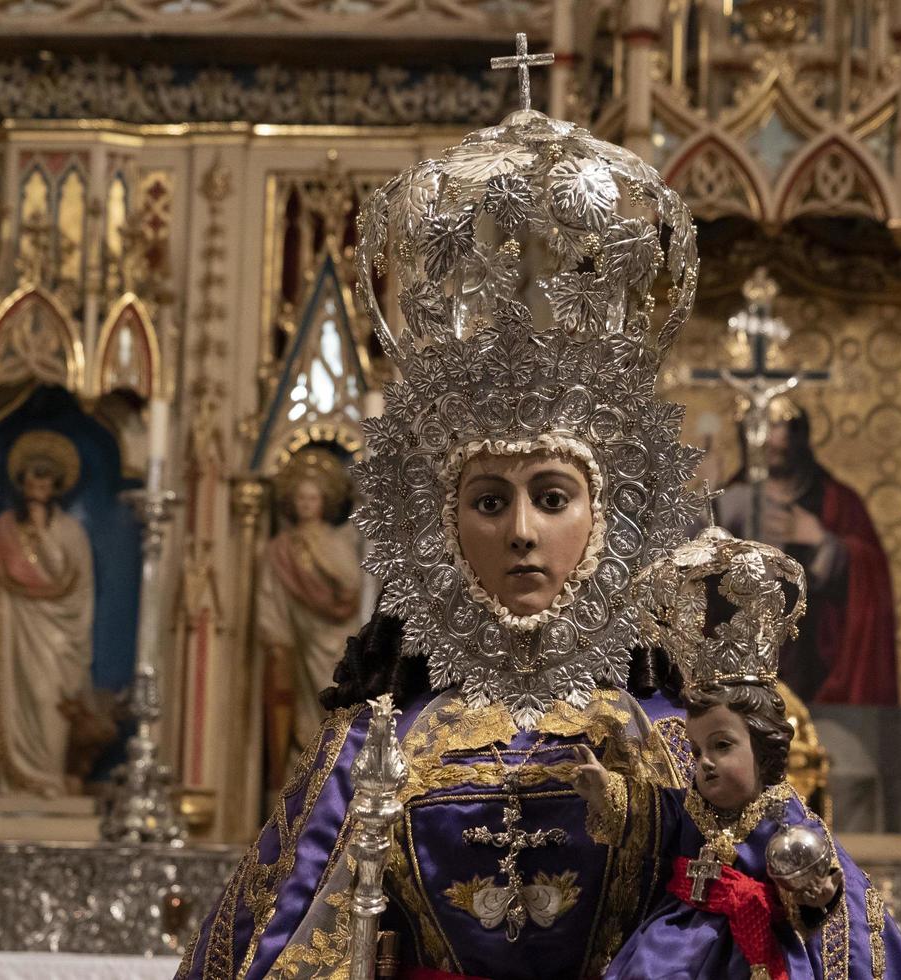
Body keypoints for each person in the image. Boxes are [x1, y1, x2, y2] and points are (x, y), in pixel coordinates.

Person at [176, 100, 705, 980]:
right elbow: (283, 951)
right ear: (440, 525)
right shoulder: (371, 746)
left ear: (609, 519)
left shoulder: (672, 745)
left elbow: (763, 929)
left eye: (553, 497)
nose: (524, 533)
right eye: (491, 501)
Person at [577, 528, 901, 980]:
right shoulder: (692, 805)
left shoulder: (782, 817)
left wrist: (817, 895)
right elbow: (655, 818)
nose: (703, 761)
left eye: (721, 746)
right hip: (673, 941)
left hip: (755, 948)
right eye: (695, 748)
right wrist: (608, 791)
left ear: (764, 749)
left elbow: (829, 884)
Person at [717, 406, 899, 706]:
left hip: (821, 667)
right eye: (761, 427)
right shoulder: (727, 503)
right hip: (741, 669)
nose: (773, 439)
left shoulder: (838, 502)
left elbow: (872, 574)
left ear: (800, 435)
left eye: (783, 426)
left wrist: (822, 542)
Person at [0, 430, 95, 798]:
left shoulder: (71, 533)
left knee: (46, 701)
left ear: (57, 483)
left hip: (53, 638)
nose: (38, 482)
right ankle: (5, 782)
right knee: (10, 701)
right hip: (10, 629)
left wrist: (41, 534)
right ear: (21, 480)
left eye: (46, 475)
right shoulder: (0, 532)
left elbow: (77, 588)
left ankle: (47, 778)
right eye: (32, 474)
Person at [254, 448, 363, 790]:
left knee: (335, 699)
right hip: (295, 639)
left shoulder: (334, 541)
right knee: (300, 708)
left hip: (334, 638)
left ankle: (335, 777)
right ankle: (297, 779)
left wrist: (320, 556)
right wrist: (276, 636)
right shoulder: (279, 548)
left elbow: (352, 584)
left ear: (324, 501)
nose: (305, 503)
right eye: (299, 497)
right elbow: (270, 595)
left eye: (312, 497)